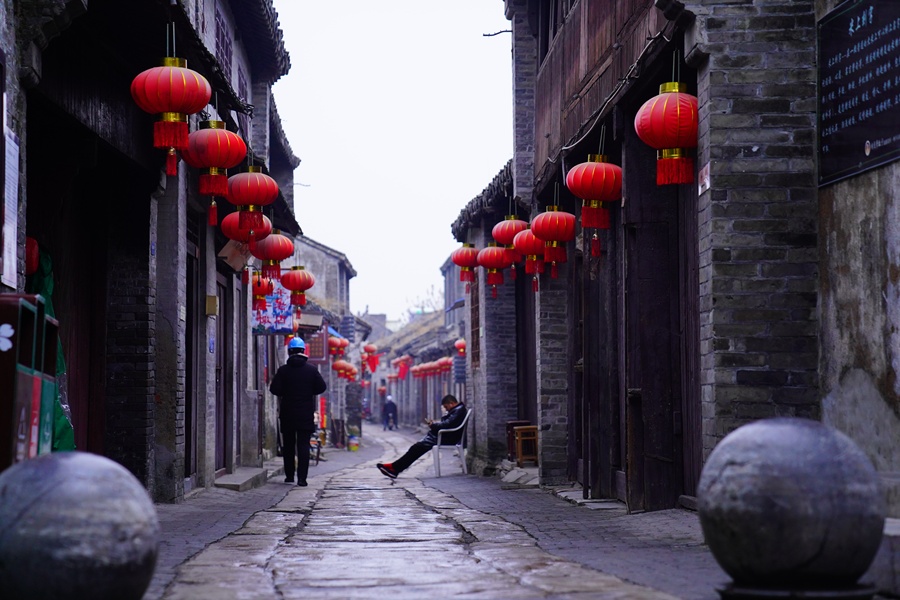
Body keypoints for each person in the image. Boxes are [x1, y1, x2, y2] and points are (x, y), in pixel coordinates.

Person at [269, 337, 327, 486]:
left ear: (289, 352)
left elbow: (274, 389)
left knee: (288, 445)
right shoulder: (311, 370)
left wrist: (286, 392)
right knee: (303, 446)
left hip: (287, 413)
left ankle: (289, 476)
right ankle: (302, 479)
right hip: (305, 414)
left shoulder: (283, 370)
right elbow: (321, 387)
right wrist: (309, 391)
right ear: (303, 351)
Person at [377, 395, 466, 478]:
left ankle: (394, 468)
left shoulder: (458, 411)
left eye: (446, 407)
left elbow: (446, 424)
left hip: (446, 438)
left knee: (416, 448)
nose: (446, 409)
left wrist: (433, 425)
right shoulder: (457, 410)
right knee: (415, 448)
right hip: (442, 436)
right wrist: (435, 425)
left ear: (451, 403)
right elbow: (447, 423)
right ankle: (394, 467)